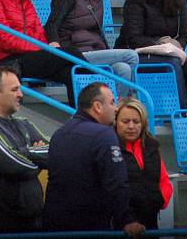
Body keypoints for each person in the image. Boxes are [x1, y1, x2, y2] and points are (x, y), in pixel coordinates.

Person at [43, 83, 146, 236]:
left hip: (55, 225)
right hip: (92, 226)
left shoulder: (59, 134)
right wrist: (126, 220)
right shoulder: (104, 134)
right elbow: (116, 182)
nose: (116, 108)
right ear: (97, 106)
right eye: (112, 102)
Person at [0, 66, 50, 232]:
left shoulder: (23, 123)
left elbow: (56, 152)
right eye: (14, 90)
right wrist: (36, 158)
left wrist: (25, 153)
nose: (20, 94)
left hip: (32, 220)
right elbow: (15, 165)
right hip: (2, 224)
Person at [45, 0, 139, 93]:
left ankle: (118, 107)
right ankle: (129, 104)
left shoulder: (97, 0)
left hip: (95, 51)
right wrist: (54, 43)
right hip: (74, 53)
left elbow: (96, 32)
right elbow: (51, 24)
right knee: (131, 55)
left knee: (123, 68)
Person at [115, 97, 173, 229]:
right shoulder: (109, 147)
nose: (131, 126)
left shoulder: (151, 146)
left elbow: (163, 179)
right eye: (125, 121)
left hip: (151, 220)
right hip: (120, 224)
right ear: (116, 122)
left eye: (136, 122)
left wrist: (160, 200)